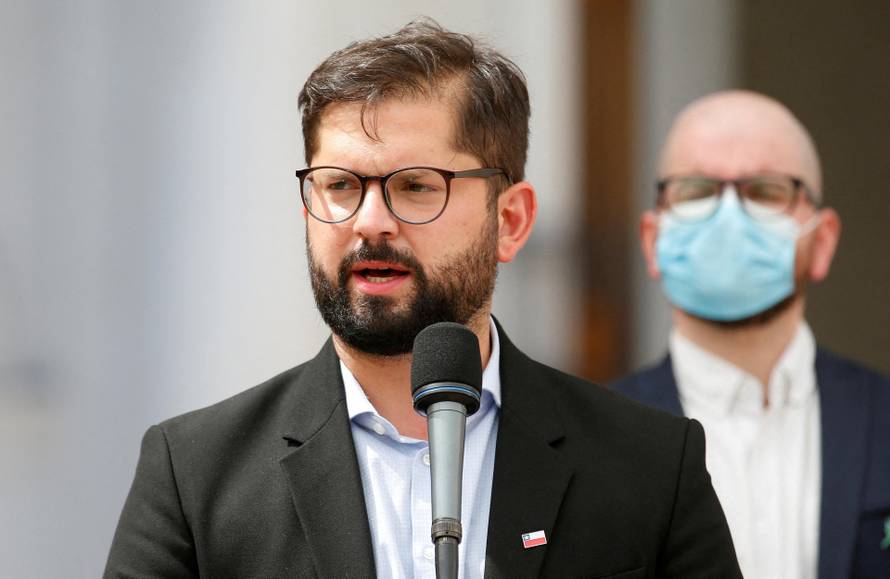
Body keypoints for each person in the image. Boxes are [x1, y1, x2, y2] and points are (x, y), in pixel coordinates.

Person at [105, 21, 741, 578]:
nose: (370, 221)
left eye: (415, 186)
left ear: (510, 221)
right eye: (340, 186)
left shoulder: (650, 465)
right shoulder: (195, 475)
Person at [612, 90, 890, 579]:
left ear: (822, 242)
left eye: (765, 191)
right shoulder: (594, 441)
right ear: (653, 242)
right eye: (696, 191)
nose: (729, 217)